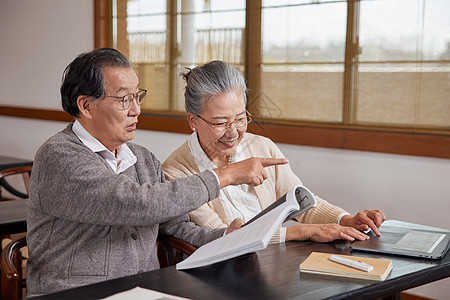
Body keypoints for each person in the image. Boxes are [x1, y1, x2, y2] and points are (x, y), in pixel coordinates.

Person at [26, 49, 287, 296]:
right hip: (75, 294)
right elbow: (132, 203)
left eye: (137, 96)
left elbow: (176, 226)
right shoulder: (58, 155)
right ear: (85, 105)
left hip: (143, 291)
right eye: (123, 99)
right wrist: (225, 175)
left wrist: (224, 237)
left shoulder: (143, 159)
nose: (136, 109)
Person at [162, 60, 386, 244]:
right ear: (193, 120)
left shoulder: (261, 146)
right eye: (220, 123)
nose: (233, 133)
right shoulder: (176, 172)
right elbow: (225, 237)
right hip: (222, 271)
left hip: (275, 262)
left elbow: (301, 201)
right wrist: (304, 232)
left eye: (240, 119)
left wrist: (346, 219)